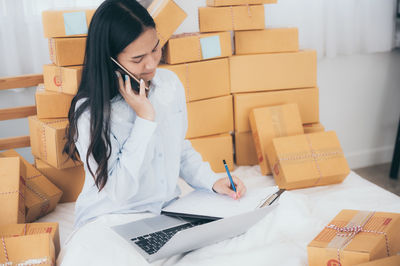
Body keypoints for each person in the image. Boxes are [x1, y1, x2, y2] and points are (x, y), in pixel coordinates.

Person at [60, 0, 246, 264]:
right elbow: (119, 192)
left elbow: (177, 148)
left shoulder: (170, 85)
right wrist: (145, 119)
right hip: (110, 220)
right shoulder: (90, 112)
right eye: (137, 59)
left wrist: (211, 180)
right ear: (110, 59)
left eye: (155, 48)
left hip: (166, 214)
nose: (151, 64)